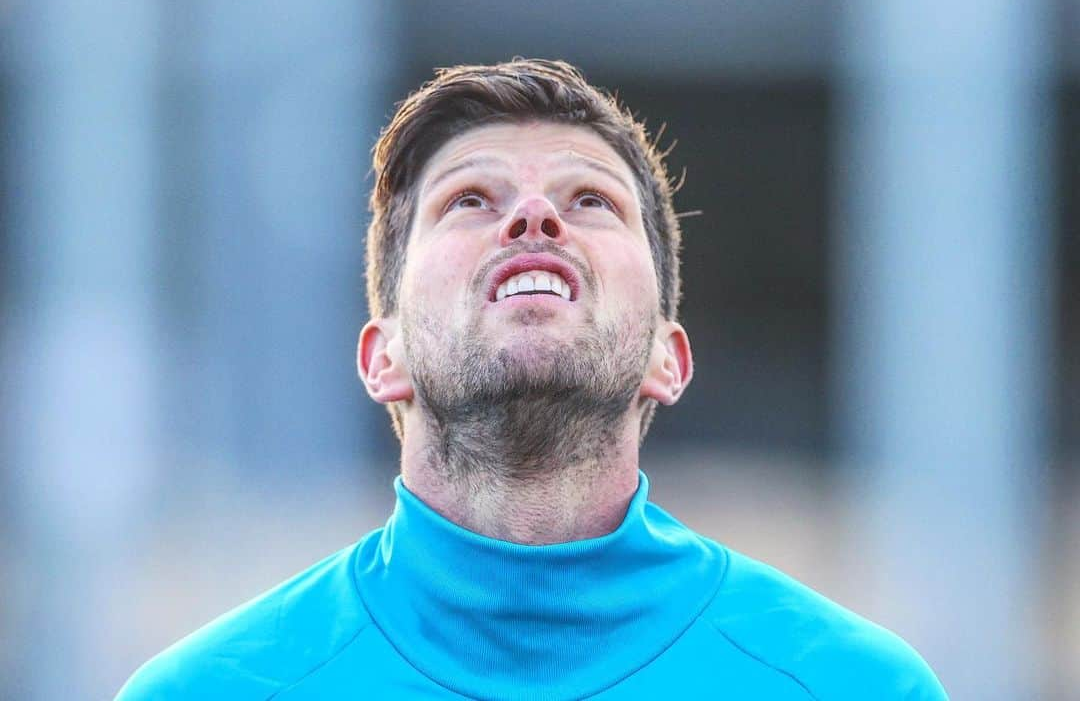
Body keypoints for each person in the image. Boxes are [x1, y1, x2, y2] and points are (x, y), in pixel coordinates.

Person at [116, 57, 949, 700]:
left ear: (670, 357)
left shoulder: (851, 686)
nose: (533, 216)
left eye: (591, 200)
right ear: (382, 357)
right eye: (470, 200)